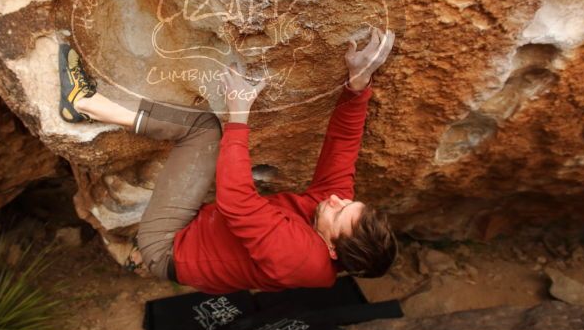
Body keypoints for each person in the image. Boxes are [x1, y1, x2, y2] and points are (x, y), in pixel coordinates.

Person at [58, 27, 397, 293]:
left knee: (203, 129)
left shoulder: (302, 259)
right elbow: (343, 147)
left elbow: (237, 203)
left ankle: (83, 104)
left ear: (333, 251)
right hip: (199, 232)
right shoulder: (333, 211)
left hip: (167, 247)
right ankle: (138, 250)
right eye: (350, 202)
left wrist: (239, 114)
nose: (337, 200)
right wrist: (357, 85)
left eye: (339, 213)